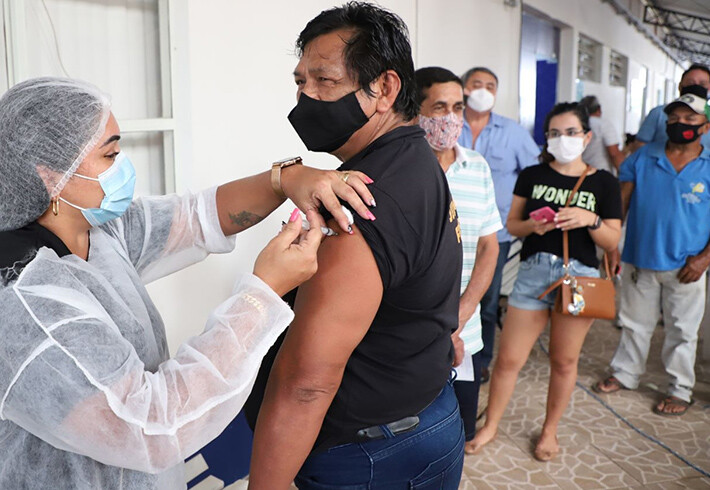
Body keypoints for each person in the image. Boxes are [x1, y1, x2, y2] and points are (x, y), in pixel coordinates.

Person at [0, 77, 378, 490]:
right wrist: (263, 293)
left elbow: (197, 217)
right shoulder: (24, 298)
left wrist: (285, 178)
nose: (124, 166)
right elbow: (151, 426)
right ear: (51, 175)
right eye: (110, 155)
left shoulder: (97, 229)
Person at [246, 4, 464, 489]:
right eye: (300, 81)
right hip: (426, 417)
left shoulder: (361, 200)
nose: (306, 96)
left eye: (324, 80)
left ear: (385, 88)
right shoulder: (414, 158)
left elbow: (306, 384)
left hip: (369, 454)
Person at [469, 102, 622, 460]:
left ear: (586, 137)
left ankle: (549, 431)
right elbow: (513, 225)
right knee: (508, 360)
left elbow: (612, 241)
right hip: (533, 273)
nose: (562, 139)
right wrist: (533, 226)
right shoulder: (534, 175)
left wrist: (590, 219)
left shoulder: (604, 182)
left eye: (571, 132)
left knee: (564, 361)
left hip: (579, 279)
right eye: (554, 133)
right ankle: (490, 424)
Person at [594, 90, 710, 417]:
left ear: (705, 126)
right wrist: (612, 243)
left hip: (688, 264)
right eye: (673, 118)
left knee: (683, 332)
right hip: (640, 257)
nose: (680, 124)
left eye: (689, 119)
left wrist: (704, 259)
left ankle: (679, 389)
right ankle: (626, 373)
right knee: (634, 323)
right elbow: (622, 202)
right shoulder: (643, 157)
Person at [415, 66, 501, 454]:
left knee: (457, 434)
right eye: (438, 107)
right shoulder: (403, 170)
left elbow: (489, 248)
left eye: (457, 107)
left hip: (463, 332)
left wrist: (461, 315)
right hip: (410, 336)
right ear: (415, 111)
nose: (450, 118)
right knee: (412, 434)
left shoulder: (477, 168)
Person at [458, 66, 540, 382]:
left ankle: (480, 362)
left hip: (496, 231)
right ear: (464, 88)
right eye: (476, 84)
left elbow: (533, 175)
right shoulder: (449, 125)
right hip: (451, 230)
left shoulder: (513, 132)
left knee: (488, 299)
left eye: (490, 85)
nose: (483, 90)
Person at [632, 63, 710, 151]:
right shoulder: (659, 113)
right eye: (690, 83)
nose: (696, 86)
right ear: (680, 86)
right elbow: (640, 146)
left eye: (702, 84)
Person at [579, 95, 624, 173]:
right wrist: (624, 175)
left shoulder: (578, 124)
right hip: (600, 174)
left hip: (580, 172)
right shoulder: (604, 125)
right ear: (599, 109)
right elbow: (614, 153)